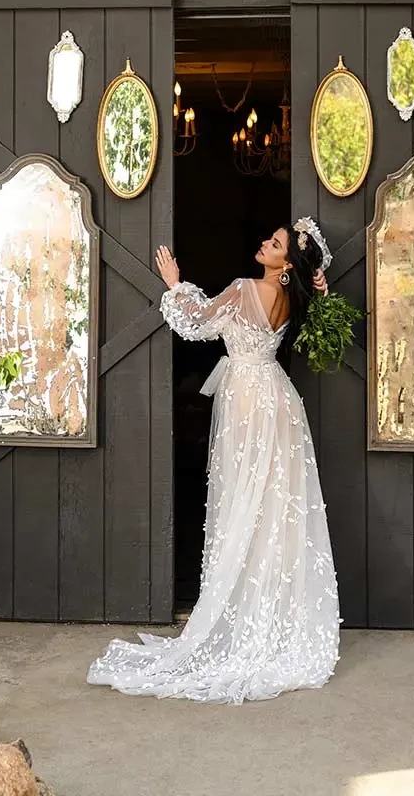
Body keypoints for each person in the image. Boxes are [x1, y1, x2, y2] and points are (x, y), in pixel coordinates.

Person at [87, 217, 341, 704]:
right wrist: (318, 283)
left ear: (286, 264)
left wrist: (174, 283)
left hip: (247, 398)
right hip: (278, 399)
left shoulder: (247, 288)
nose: (264, 243)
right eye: (269, 238)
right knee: (275, 507)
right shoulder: (293, 300)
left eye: (275, 244)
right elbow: (318, 311)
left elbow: (198, 321)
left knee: (245, 498)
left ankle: (238, 607)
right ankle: (272, 609)